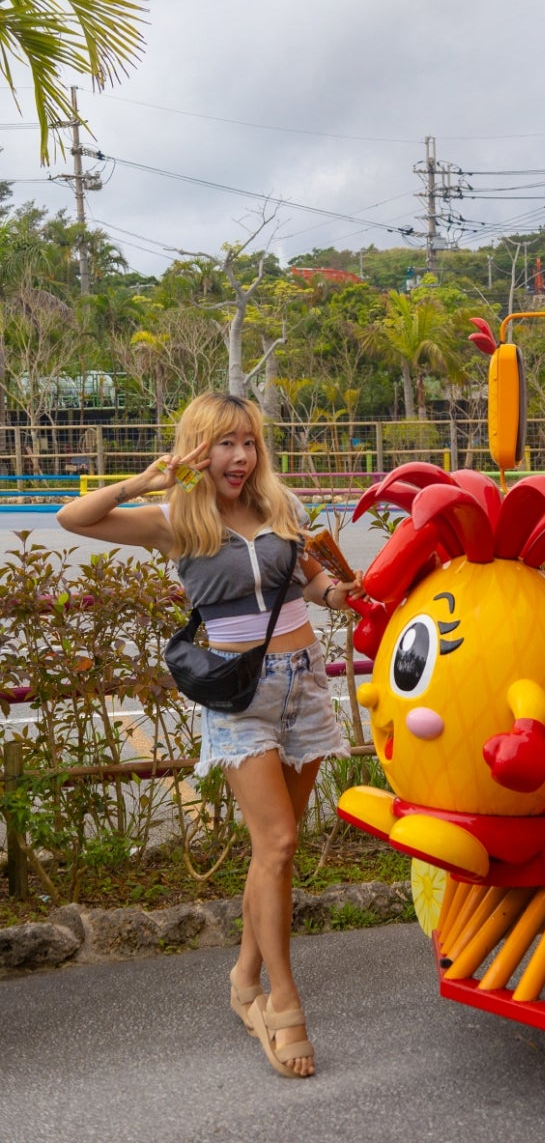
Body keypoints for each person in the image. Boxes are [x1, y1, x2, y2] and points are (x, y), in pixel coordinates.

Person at [57, 392, 364, 1079]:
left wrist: (347, 590)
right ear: (199, 447)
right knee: (277, 842)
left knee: (277, 854)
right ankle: (281, 1001)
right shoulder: (177, 521)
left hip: (304, 683)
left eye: (248, 442)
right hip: (239, 694)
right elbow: (72, 517)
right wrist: (147, 480)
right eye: (225, 443)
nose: (240, 456)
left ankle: (245, 977)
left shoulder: (281, 509)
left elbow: (314, 586)